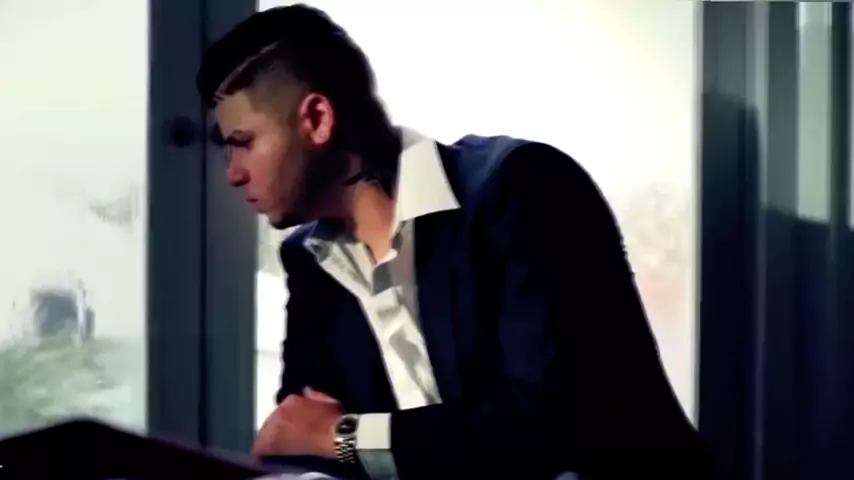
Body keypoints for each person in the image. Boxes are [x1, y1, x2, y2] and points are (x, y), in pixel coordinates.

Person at [196, 4, 713, 480]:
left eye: (243, 143)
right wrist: (328, 443)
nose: (233, 174)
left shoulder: (524, 191)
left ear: (317, 120)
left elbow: (549, 421)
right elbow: (298, 437)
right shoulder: (310, 262)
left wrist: (346, 437)